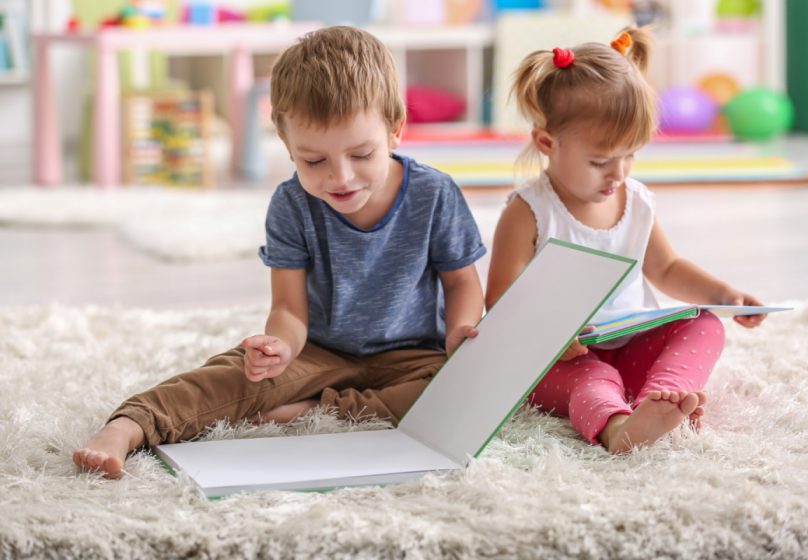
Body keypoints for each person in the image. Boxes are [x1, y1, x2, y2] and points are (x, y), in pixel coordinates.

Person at [74, 26, 486, 479]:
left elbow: (462, 280)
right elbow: (289, 307)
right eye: (314, 161)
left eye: (362, 153)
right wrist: (280, 348)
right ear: (288, 147)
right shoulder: (291, 204)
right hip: (318, 349)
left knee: (460, 393)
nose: (341, 177)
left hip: (413, 354)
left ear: (395, 130)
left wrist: (461, 331)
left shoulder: (436, 193)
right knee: (233, 377)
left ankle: (316, 411)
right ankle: (131, 425)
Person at [484, 28, 766, 454]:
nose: (618, 174)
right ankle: (619, 428)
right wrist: (551, 335)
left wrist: (723, 294)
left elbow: (667, 269)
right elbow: (500, 297)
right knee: (595, 381)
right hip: (558, 361)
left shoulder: (635, 201)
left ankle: (663, 396)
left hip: (631, 346)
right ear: (547, 143)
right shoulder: (528, 211)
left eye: (630, 155)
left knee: (703, 323)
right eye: (600, 161)